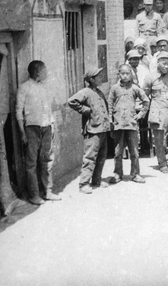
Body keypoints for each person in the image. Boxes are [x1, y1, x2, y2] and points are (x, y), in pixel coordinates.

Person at [15, 60, 60, 204]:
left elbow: (48, 109)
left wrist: (52, 127)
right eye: (44, 70)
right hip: (31, 129)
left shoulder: (44, 88)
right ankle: (34, 195)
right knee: (31, 163)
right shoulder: (24, 88)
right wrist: (22, 132)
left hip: (46, 127)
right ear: (37, 72)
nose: (46, 73)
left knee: (46, 160)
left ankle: (48, 191)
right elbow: (18, 111)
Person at [67, 67, 111, 194]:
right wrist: (86, 110)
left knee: (102, 156)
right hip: (93, 129)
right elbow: (71, 101)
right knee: (90, 157)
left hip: (102, 128)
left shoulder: (99, 92)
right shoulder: (85, 92)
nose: (101, 78)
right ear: (91, 79)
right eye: (98, 76)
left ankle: (96, 180)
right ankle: (83, 184)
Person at [108, 64, 149, 185]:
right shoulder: (114, 88)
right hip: (118, 124)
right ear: (119, 74)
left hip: (131, 124)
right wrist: (111, 120)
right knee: (117, 152)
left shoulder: (135, 88)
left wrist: (140, 114)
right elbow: (110, 104)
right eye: (122, 73)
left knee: (134, 151)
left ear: (131, 74)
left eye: (127, 73)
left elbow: (146, 101)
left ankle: (135, 174)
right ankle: (117, 174)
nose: (125, 76)